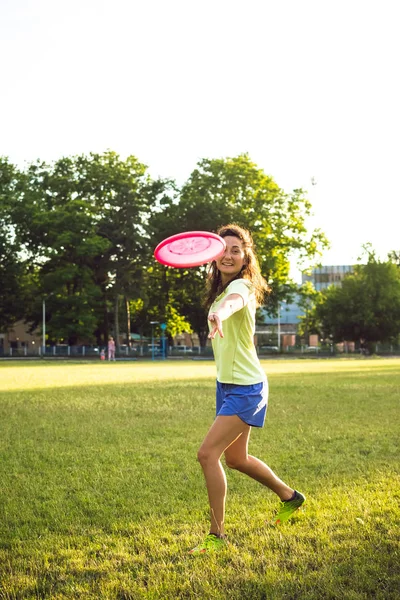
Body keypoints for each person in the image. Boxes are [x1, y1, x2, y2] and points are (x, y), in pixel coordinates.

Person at [189, 224, 305, 555]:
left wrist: (219, 315)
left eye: (236, 251)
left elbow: (234, 303)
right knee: (236, 459)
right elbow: (224, 303)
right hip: (227, 385)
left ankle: (217, 537)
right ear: (213, 256)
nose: (228, 255)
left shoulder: (242, 287)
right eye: (223, 249)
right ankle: (290, 497)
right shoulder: (221, 290)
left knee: (207, 454)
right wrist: (217, 310)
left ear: (245, 258)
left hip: (246, 388)